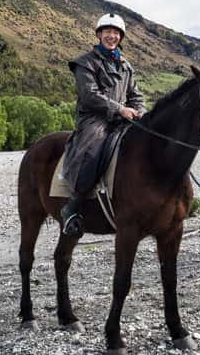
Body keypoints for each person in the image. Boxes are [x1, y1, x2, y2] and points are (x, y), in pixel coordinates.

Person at [59, 13, 147, 235]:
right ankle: (73, 206)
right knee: (94, 147)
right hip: (94, 118)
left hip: (122, 118)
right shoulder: (85, 62)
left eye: (116, 33)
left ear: (120, 37)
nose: (112, 36)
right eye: (107, 31)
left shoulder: (126, 66)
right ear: (99, 34)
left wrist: (141, 113)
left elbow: (135, 95)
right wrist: (119, 109)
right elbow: (89, 95)